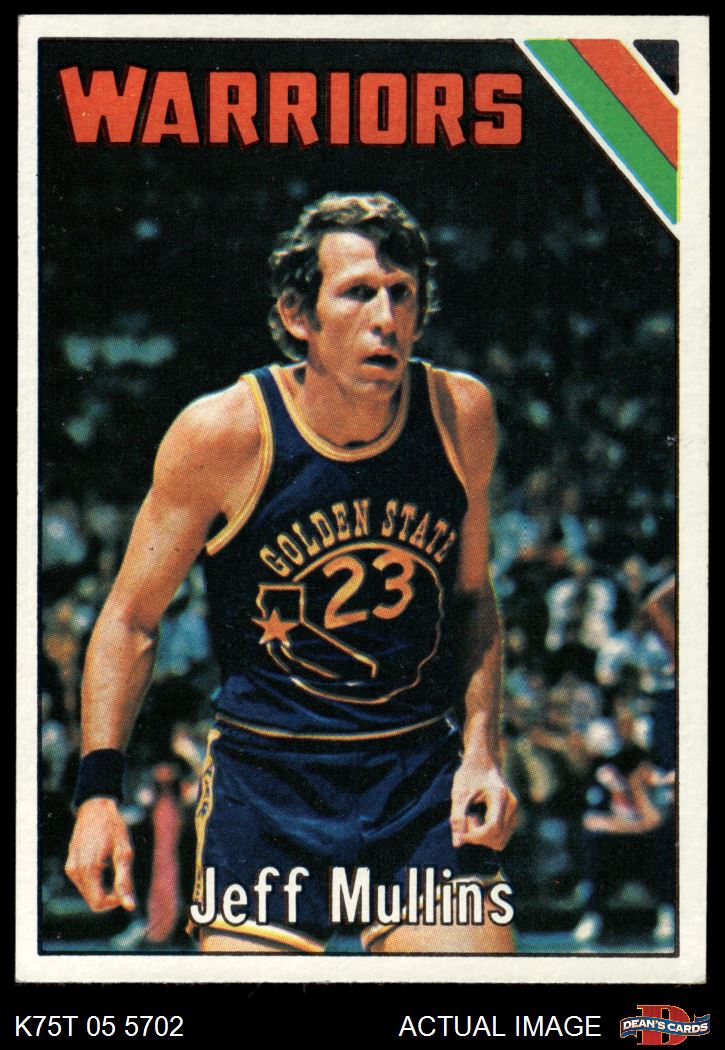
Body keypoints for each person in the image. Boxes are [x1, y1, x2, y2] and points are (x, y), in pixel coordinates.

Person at [65, 192, 518, 954]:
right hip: (267, 784)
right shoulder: (223, 433)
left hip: (415, 778)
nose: (386, 317)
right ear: (297, 315)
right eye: (358, 293)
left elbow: (473, 599)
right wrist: (96, 797)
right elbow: (129, 619)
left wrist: (482, 752)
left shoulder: (458, 413)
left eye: (402, 294)